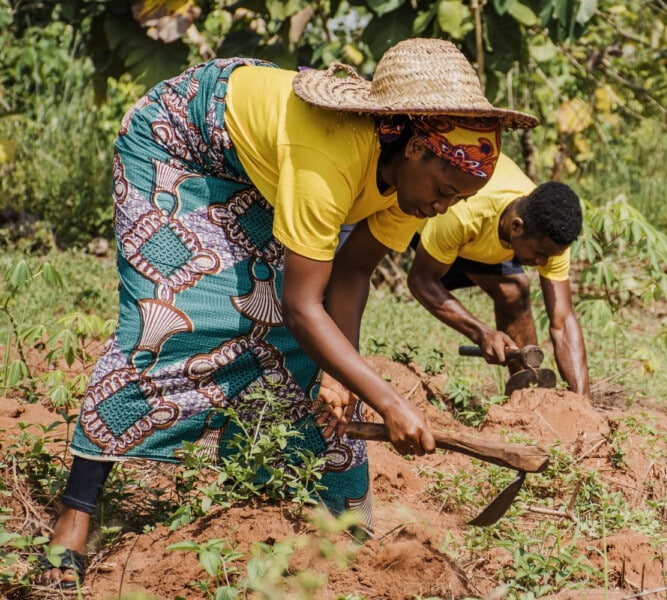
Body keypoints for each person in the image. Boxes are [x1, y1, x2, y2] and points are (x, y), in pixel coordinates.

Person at [37, 38, 538, 588]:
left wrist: (337, 374)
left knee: (309, 354)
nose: (441, 209)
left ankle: (338, 527)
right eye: (443, 190)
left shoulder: (411, 189)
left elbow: (351, 273)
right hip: (179, 143)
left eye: (456, 201)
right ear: (416, 149)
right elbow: (304, 306)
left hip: (262, 168)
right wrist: (389, 401)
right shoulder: (330, 157)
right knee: (169, 320)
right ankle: (75, 516)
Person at [406, 155, 590, 398]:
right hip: (430, 225)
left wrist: (582, 402)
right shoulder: (465, 214)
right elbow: (421, 280)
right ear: (516, 226)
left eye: (549, 256)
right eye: (538, 254)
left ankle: (526, 397)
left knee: (514, 292)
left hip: (480, 238)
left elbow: (563, 321)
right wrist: (481, 332)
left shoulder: (550, 231)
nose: (542, 263)